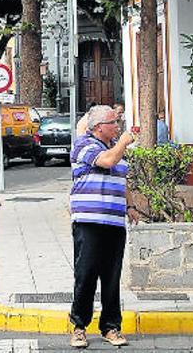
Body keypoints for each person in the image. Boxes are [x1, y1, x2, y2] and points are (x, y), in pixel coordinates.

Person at [68, 105, 139, 348]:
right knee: (86, 275)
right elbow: (107, 162)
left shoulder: (114, 148)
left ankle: (110, 326)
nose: (118, 126)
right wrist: (124, 142)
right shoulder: (85, 145)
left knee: (111, 277)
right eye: (113, 122)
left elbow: (122, 178)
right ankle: (79, 326)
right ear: (99, 127)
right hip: (89, 221)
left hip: (114, 222)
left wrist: (130, 206)